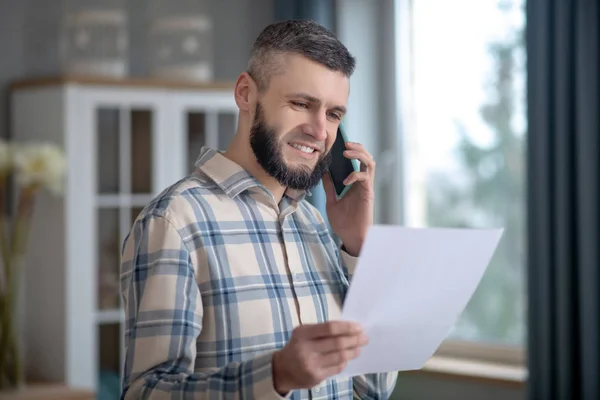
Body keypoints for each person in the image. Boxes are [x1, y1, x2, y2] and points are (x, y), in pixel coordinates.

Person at [119, 19, 398, 399]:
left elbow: (374, 388)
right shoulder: (174, 223)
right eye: (301, 104)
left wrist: (359, 248)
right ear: (246, 94)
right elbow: (144, 393)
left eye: (334, 114)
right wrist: (276, 374)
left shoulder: (315, 225)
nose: (320, 131)